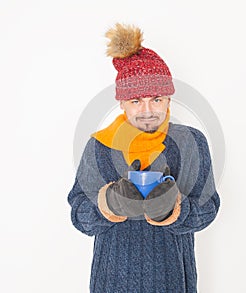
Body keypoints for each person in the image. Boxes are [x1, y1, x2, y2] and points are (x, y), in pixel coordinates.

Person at [68, 23, 221, 293]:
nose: (147, 110)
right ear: (122, 104)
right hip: (111, 281)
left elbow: (208, 210)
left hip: (172, 280)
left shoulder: (191, 143)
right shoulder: (99, 147)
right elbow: (79, 214)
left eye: (156, 99)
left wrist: (175, 209)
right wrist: (109, 204)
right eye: (136, 101)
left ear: (168, 101)